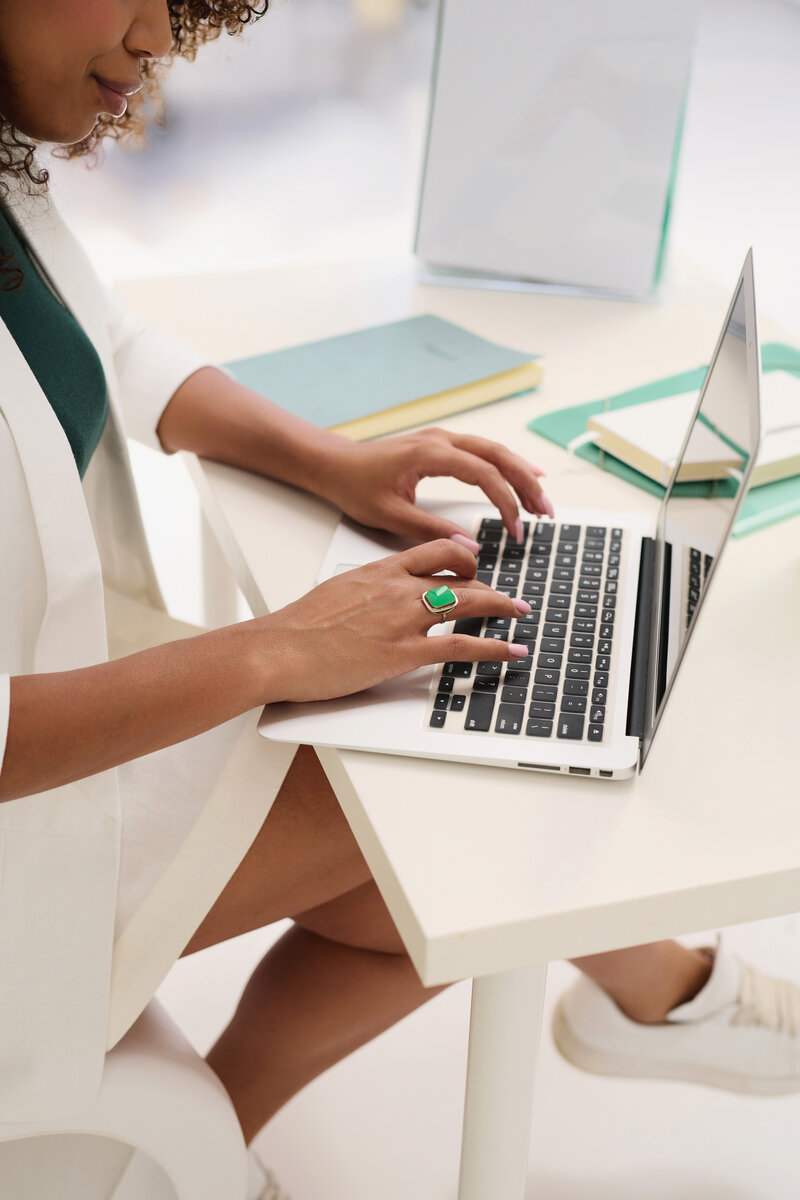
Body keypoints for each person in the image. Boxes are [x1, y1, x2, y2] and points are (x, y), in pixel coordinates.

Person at [1, 3, 798, 1197]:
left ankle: (200, 1152)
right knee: (455, 795)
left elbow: (101, 343)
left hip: (64, 752)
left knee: (432, 796)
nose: (164, 34)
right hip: (25, 838)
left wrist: (333, 461)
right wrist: (271, 652)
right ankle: (661, 992)